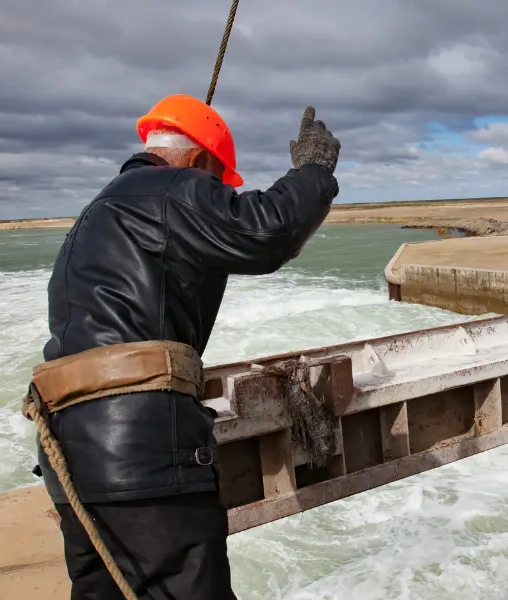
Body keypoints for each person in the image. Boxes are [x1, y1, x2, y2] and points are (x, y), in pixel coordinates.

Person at [27, 95, 341, 600]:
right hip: (140, 449)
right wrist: (313, 173)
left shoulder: (100, 211)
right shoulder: (172, 188)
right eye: (216, 183)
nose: (215, 194)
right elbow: (266, 231)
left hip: (69, 449)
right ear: (197, 163)